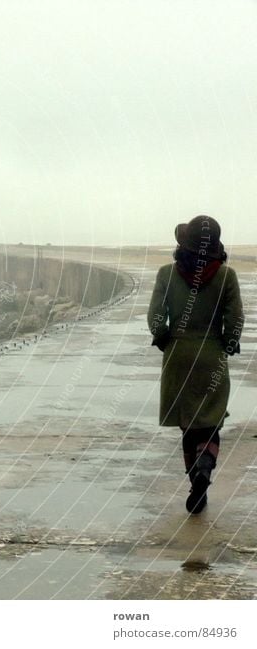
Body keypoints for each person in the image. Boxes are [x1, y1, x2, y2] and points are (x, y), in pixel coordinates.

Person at [147, 215, 244, 514]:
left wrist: (165, 338)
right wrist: (227, 344)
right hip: (212, 355)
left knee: (188, 424)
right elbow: (235, 319)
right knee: (211, 421)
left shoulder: (166, 273)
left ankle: (195, 481)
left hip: (177, 356)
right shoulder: (227, 277)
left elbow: (154, 318)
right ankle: (205, 468)